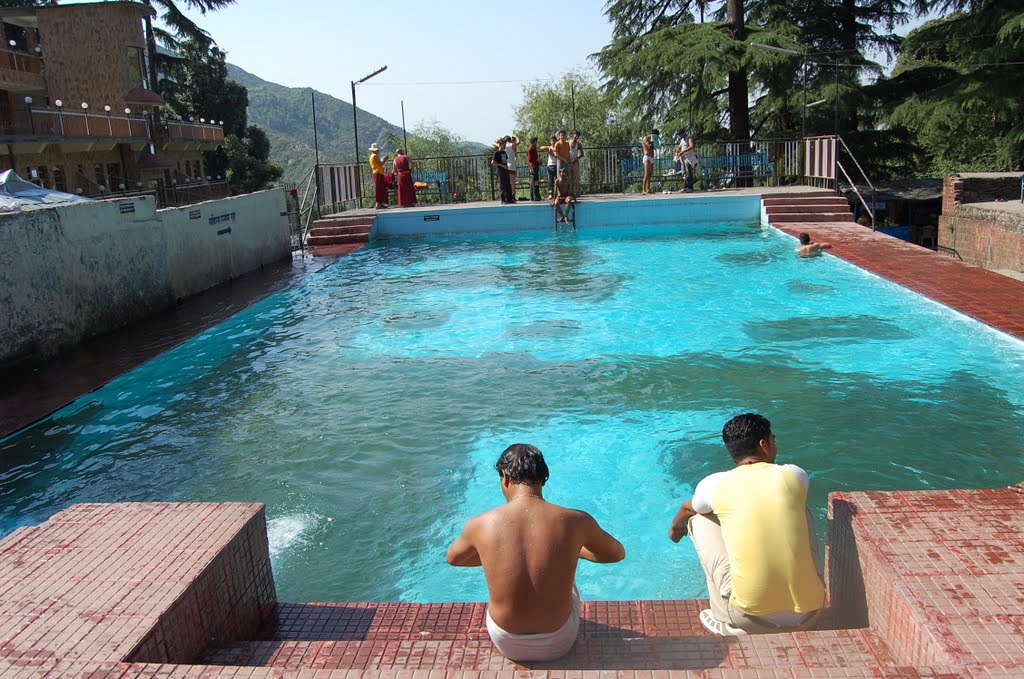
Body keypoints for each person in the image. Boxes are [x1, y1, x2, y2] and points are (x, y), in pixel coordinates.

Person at [446, 444, 625, 662]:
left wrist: (493, 556)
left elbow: (454, 559)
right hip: (560, 640)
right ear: (543, 479)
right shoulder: (575, 521)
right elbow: (616, 554)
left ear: (505, 478)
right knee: (569, 582)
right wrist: (573, 551)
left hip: (506, 641)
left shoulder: (481, 524)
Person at [668, 413, 825, 636]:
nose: (775, 445)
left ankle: (724, 619)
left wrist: (676, 528)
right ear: (764, 445)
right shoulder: (795, 475)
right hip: (810, 614)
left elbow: (687, 508)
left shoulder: (715, 483)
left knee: (700, 518)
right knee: (801, 510)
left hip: (751, 620)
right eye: (773, 440)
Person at [492, 137, 514, 204]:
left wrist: (506, 166)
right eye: (504, 145)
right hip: (500, 170)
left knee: (508, 184)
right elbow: (493, 162)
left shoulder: (504, 152)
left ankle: (509, 199)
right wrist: (501, 165)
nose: (505, 146)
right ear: (501, 145)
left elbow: (505, 161)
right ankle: (503, 200)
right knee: (502, 185)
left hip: (506, 170)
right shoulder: (497, 153)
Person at [368, 143, 390, 209]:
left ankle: (380, 203)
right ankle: (378, 204)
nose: (378, 151)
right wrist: (385, 159)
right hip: (377, 173)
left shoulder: (372, 156)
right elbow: (381, 163)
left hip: (378, 173)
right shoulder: (374, 156)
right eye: (377, 150)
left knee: (380, 188)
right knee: (379, 189)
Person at [568, 131, 584, 197]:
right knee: (569, 178)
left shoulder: (579, 144)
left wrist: (576, 159)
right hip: (568, 162)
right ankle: (570, 193)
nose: (576, 136)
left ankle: (577, 192)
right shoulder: (568, 142)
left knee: (576, 179)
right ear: (573, 135)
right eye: (575, 134)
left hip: (575, 162)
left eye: (578, 135)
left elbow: (582, 154)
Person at [527, 137, 542, 201]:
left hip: (535, 166)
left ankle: (536, 195)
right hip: (533, 167)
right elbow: (530, 159)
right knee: (534, 181)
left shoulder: (534, 148)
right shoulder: (530, 149)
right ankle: (534, 196)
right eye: (536, 141)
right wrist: (537, 161)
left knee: (535, 181)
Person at [506, 135, 520, 201]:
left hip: (506, 166)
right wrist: (516, 136)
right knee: (513, 183)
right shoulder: (512, 145)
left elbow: (495, 143)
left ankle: (507, 195)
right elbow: (519, 142)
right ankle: (513, 196)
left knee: (507, 182)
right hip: (512, 165)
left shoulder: (504, 146)